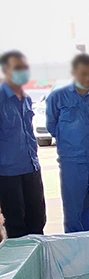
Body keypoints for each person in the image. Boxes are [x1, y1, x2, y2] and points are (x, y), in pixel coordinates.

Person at [45, 54, 89, 233]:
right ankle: (76, 245)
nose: (88, 78)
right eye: (83, 74)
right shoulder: (57, 97)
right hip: (72, 161)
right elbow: (52, 126)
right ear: (74, 73)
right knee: (74, 206)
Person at [0, 51, 45, 238]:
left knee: (38, 219)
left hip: (31, 167)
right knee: (16, 225)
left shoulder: (26, 99)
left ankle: (40, 264)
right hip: (8, 173)